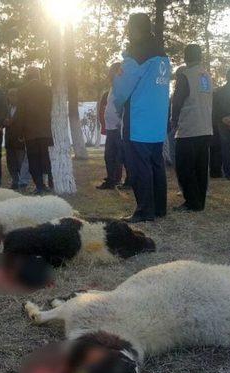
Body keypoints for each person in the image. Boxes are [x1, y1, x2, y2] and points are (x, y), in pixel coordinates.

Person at [112, 13, 171, 223]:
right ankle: (159, 208)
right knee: (156, 164)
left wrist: (117, 102)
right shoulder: (162, 56)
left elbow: (121, 91)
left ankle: (145, 210)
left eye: (130, 28)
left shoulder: (136, 56)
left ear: (135, 29)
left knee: (139, 166)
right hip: (157, 121)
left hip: (138, 120)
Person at [170, 44, 212, 212]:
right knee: (201, 168)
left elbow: (178, 100)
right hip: (205, 127)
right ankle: (199, 201)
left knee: (184, 167)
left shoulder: (185, 75)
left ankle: (191, 201)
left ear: (186, 57)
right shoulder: (206, 75)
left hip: (188, 129)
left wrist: (174, 120)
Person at [17, 67, 54, 194]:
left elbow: (20, 113)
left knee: (33, 160)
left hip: (30, 132)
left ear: (27, 76)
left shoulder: (22, 91)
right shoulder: (48, 89)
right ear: (39, 76)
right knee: (47, 158)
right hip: (46, 131)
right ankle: (51, 183)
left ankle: (39, 186)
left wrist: (20, 132)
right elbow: (52, 109)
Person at [97, 62, 125, 190]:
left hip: (119, 128)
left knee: (119, 156)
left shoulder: (122, 87)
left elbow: (123, 106)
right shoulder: (112, 89)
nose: (110, 74)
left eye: (113, 72)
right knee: (109, 156)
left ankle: (121, 180)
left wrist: (121, 122)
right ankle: (111, 180)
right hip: (110, 128)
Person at [5, 88, 27, 190]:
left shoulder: (23, 109)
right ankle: (15, 181)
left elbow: (26, 124)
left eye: (13, 96)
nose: (11, 98)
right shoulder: (7, 109)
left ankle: (22, 181)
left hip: (19, 139)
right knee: (10, 162)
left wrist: (23, 135)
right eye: (10, 96)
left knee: (20, 162)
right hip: (9, 140)